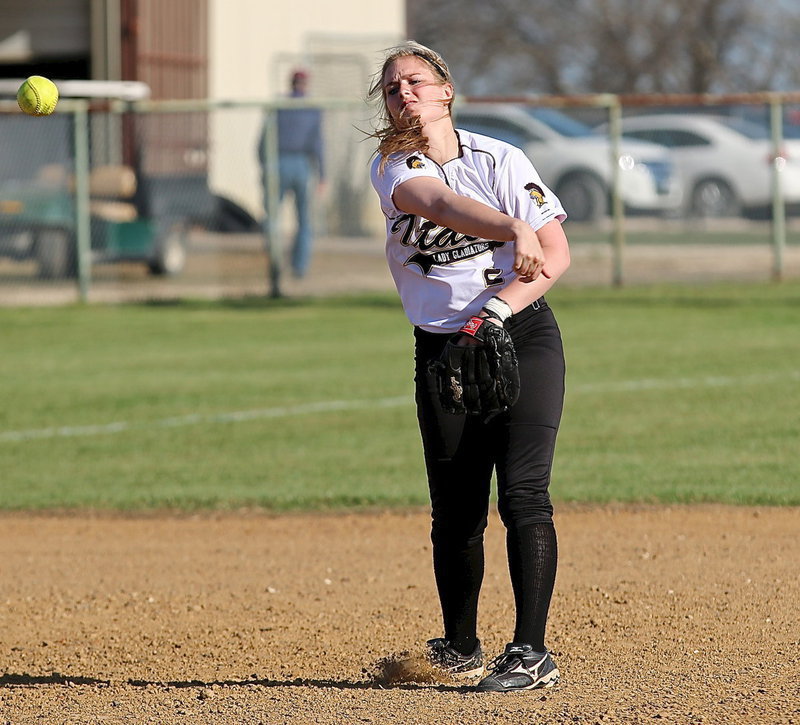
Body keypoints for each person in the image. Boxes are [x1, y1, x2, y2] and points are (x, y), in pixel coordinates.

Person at [368, 41, 571, 693]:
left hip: (520, 335)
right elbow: (438, 203)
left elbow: (557, 254)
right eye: (392, 87)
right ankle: (460, 646)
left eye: (415, 81)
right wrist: (512, 226)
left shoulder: (501, 160)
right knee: (455, 510)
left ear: (446, 90)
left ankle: (532, 651)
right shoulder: (395, 165)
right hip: (444, 349)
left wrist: (500, 310)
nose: (404, 94)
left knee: (523, 494)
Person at [258, 69, 325, 279]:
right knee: (303, 219)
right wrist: (322, 174)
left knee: (273, 216)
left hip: (279, 162)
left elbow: (263, 140)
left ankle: (275, 260)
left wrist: (264, 166)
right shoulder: (311, 109)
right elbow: (318, 144)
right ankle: (298, 267)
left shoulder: (280, 106)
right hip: (300, 164)